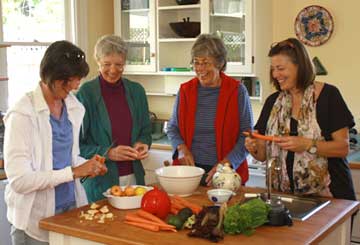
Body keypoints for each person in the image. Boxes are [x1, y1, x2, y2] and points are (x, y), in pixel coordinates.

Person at [3, 40, 108, 245]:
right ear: (50, 76)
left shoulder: (73, 107)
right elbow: (20, 181)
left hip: (68, 212)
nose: (76, 85)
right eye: (70, 80)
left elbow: (66, 157)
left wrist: (87, 165)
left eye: (77, 79)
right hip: (34, 223)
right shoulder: (22, 114)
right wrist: (74, 172)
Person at [245, 37, 356, 200]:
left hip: (330, 196)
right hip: (283, 197)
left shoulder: (328, 96)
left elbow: (342, 148)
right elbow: (262, 155)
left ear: (300, 66)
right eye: (273, 69)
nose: (275, 74)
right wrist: (253, 147)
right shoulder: (273, 102)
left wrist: (306, 145)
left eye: (280, 68)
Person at [167, 34, 253, 186]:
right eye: (196, 63)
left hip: (225, 174)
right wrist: (181, 149)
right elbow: (173, 128)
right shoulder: (185, 91)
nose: (200, 69)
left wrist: (226, 164)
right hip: (189, 172)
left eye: (206, 63)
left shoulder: (237, 91)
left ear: (219, 63)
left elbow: (247, 136)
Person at [76, 34, 152, 202]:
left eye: (119, 64)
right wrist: (108, 153)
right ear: (97, 61)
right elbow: (78, 145)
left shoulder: (136, 91)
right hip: (101, 181)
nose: (113, 70)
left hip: (134, 179)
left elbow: (146, 131)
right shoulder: (86, 94)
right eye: (107, 64)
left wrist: (142, 144)